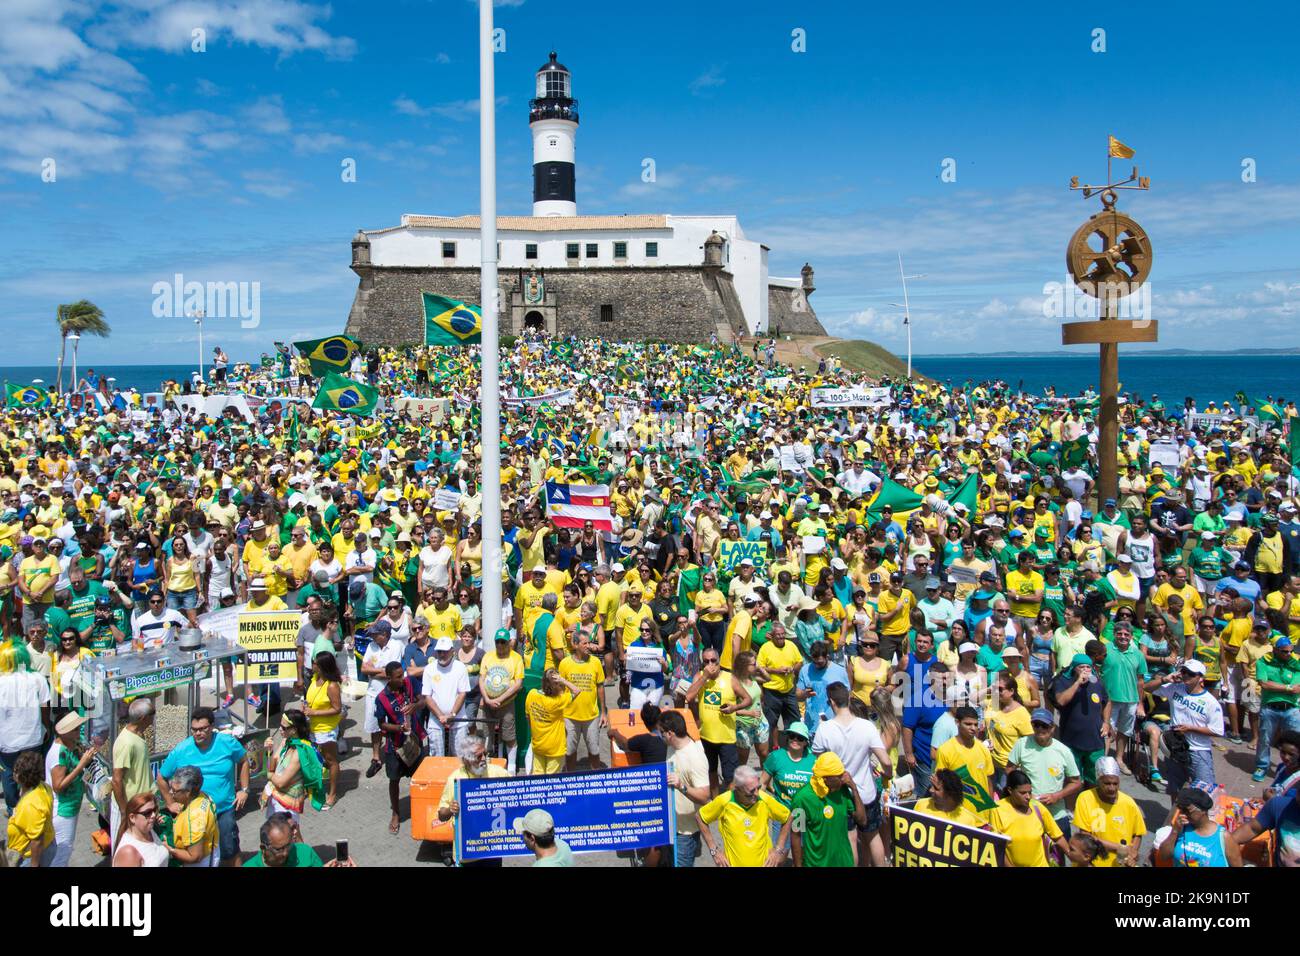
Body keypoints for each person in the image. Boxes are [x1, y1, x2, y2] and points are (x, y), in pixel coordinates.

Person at [157, 705, 249, 866]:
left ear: (212, 727)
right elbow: (161, 777)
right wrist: (170, 803)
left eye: (202, 729)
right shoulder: (182, 750)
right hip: (194, 816)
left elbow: (243, 761)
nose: (197, 733)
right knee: (196, 855)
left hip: (223, 810)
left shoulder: (227, 742)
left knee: (230, 850)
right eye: (194, 730)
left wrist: (244, 790)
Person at [811, 682, 891, 866]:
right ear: (848, 698)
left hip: (841, 795)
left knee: (850, 839)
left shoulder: (825, 728)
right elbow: (886, 761)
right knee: (872, 836)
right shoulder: (867, 726)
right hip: (867, 793)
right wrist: (887, 775)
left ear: (831, 702)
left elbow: (818, 759)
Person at [437, 732, 512, 867]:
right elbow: (441, 815)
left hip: (493, 850)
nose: (484, 759)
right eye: (479, 756)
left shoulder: (497, 772)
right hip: (467, 853)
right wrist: (450, 809)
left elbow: (518, 791)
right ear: (466, 759)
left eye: (485, 754)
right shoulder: (455, 779)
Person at [684, 648, 753, 793]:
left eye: (713, 660)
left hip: (726, 737)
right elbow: (689, 697)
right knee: (711, 772)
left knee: (730, 776)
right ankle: (715, 801)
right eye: (706, 661)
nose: (710, 664)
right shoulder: (700, 676)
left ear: (719, 661)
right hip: (706, 736)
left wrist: (734, 708)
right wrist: (704, 678)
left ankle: (729, 804)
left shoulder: (730, 678)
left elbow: (748, 699)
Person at [696, 764, 791, 867]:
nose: (756, 794)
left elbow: (788, 817)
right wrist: (714, 851)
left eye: (758, 788)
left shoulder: (764, 799)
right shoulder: (724, 801)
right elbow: (700, 817)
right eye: (750, 792)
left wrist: (778, 849)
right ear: (738, 789)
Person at [1007, 708, 1083, 836]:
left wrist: (1057, 796)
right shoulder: (1021, 744)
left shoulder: (1063, 751)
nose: (1040, 729)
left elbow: (1076, 782)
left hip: (1056, 814)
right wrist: (1021, 793)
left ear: (1053, 728)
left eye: (1044, 725)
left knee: (1060, 853)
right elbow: (1009, 769)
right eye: (1036, 725)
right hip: (1029, 812)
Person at [1150, 659, 1224, 792]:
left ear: (1200, 677)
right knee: (1175, 788)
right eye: (1183, 672)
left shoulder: (1211, 703)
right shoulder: (1175, 688)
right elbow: (1146, 688)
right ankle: (1174, 813)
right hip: (1175, 747)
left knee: (1205, 791)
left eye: (1190, 674)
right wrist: (1164, 679)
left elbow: (1218, 731)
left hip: (1198, 750)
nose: (1185, 675)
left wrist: (1190, 728)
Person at [790, 751, 867, 867]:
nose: (844, 778)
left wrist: (854, 789)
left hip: (844, 862)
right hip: (816, 863)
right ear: (825, 779)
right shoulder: (802, 799)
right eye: (839, 776)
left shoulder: (842, 790)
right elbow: (796, 834)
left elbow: (862, 821)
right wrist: (797, 865)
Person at [0, 639, 51, 814]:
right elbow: (45, 708)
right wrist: (46, 728)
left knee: (9, 773)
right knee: (33, 773)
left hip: (7, 741)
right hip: (33, 737)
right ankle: (34, 807)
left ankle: (14, 806)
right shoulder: (37, 678)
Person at [375, 660, 426, 833]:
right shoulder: (381, 698)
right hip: (395, 746)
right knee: (394, 779)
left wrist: (415, 706)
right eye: (398, 676)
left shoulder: (410, 683)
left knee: (420, 778)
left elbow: (423, 701)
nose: (402, 678)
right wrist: (398, 728)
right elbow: (382, 724)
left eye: (402, 674)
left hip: (415, 740)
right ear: (389, 678)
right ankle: (396, 814)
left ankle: (421, 808)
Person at [1050, 649, 1112, 786]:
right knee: (1073, 780)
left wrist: (1106, 722)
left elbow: (1107, 702)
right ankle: (1074, 806)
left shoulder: (1097, 683)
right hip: (1072, 741)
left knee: (1096, 779)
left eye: (1088, 667)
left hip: (1095, 740)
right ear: (1074, 668)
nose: (1085, 670)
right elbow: (1061, 701)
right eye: (1081, 667)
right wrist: (1078, 682)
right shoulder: (1063, 681)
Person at [1071, 757, 1145, 867]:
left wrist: (1132, 853)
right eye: (1107, 783)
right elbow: (1086, 837)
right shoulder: (1085, 798)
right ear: (1098, 781)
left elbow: (1137, 834)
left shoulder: (1129, 803)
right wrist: (1119, 848)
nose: (1112, 788)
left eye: (1115, 784)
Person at [987, 769, 1071, 867]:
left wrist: (1073, 856)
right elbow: (997, 846)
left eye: (1030, 792)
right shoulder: (997, 810)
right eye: (1022, 793)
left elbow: (1057, 837)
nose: (1028, 796)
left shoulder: (1037, 807)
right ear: (1010, 790)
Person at [44, 711, 96, 867]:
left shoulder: (69, 746)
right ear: (64, 732)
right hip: (62, 812)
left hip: (70, 808)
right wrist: (81, 765)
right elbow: (58, 786)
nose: (79, 731)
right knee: (61, 855)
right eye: (75, 729)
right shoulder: (59, 753)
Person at [1155, 785, 1243, 867]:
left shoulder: (1224, 838)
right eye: (1181, 810)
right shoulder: (1181, 828)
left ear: (1203, 810)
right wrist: (1174, 831)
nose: (1183, 814)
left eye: (1187, 811)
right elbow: (1163, 857)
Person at [1251, 636, 1300, 782]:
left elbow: (1297, 688)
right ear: (1275, 650)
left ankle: (1294, 768)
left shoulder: (1296, 662)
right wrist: (1287, 687)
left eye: (1290, 651)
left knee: (1295, 743)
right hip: (1270, 707)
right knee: (1265, 739)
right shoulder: (1263, 662)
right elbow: (1264, 684)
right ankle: (1261, 766)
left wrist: (1278, 687)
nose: (1288, 654)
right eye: (1284, 652)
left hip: (1292, 709)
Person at [934, 704, 996, 815]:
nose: (973, 728)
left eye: (975, 724)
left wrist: (991, 810)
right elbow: (940, 784)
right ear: (957, 723)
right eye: (968, 724)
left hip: (983, 815)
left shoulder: (983, 749)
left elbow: (989, 782)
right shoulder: (945, 750)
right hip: (958, 815)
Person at [110, 697, 154, 850]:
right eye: (152, 713)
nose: (154, 717)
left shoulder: (137, 736)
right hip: (130, 807)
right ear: (143, 718)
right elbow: (116, 780)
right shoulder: (126, 743)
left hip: (141, 805)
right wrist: (124, 811)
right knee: (122, 846)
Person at [261, 709, 320, 824]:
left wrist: (268, 775)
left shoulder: (300, 752)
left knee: (291, 837)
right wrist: (268, 752)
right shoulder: (286, 742)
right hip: (276, 798)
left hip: (287, 805)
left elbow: (281, 782)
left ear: (294, 730)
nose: (280, 729)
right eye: (280, 726)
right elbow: (272, 767)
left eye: (284, 727)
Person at [559, 632, 606, 770]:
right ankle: (571, 778)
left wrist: (603, 712)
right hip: (569, 716)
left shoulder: (596, 662)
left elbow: (600, 687)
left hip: (591, 716)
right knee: (570, 751)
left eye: (589, 642)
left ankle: (595, 779)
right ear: (575, 645)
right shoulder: (564, 664)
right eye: (584, 643)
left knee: (594, 751)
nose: (589, 646)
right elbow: (561, 689)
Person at [303, 651, 343, 808]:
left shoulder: (332, 686)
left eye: (315, 664)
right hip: (313, 727)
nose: (312, 665)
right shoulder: (315, 679)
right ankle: (314, 786)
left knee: (330, 760)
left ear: (322, 667)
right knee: (315, 759)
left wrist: (315, 712)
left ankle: (332, 794)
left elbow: (337, 709)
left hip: (326, 729)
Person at [524, 668, 580, 774]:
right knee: (552, 780)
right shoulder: (558, 701)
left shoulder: (532, 694)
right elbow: (576, 691)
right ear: (556, 684)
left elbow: (528, 717)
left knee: (538, 778)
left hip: (538, 744)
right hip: (555, 747)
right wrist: (563, 680)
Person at [423, 637, 471, 758]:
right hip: (436, 721)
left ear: (452, 651)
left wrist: (452, 715)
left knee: (460, 757)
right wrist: (441, 716)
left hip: (458, 720)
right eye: (439, 651)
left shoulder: (460, 668)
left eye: (445, 651)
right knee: (437, 758)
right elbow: (427, 696)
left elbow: (462, 693)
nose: (442, 654)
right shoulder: (429, 669)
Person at [4, 750, 54, 867]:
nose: (13, 772)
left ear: (22, 777)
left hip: (28, 856)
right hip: (46, 844)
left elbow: (37, 840)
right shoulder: (42, 786)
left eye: (16, 770)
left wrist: (34, 864)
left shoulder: (31, 805)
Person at [164, 765, 220, 867]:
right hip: (211, 850)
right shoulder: (203, 796)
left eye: (174, 790)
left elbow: (195, 856)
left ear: (188, 792)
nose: (170, 792)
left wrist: (170, 849)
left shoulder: (194, 818)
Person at [111, 793, 171, 868]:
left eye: (154, 810)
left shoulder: (149, 830)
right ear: (132, 817)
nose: (153, 815)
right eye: (147, 813)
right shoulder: (128, 853)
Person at [242, 814, 325, 868]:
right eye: (279, 849)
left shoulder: (305, 852)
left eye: (288, 845)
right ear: (263, 848)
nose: (286, 853)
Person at [912, 768, 987, 827]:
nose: (930, 790)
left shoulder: (967, 820)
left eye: (936, 788)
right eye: (932, 786)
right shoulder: (921, 805)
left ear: (950, 794)